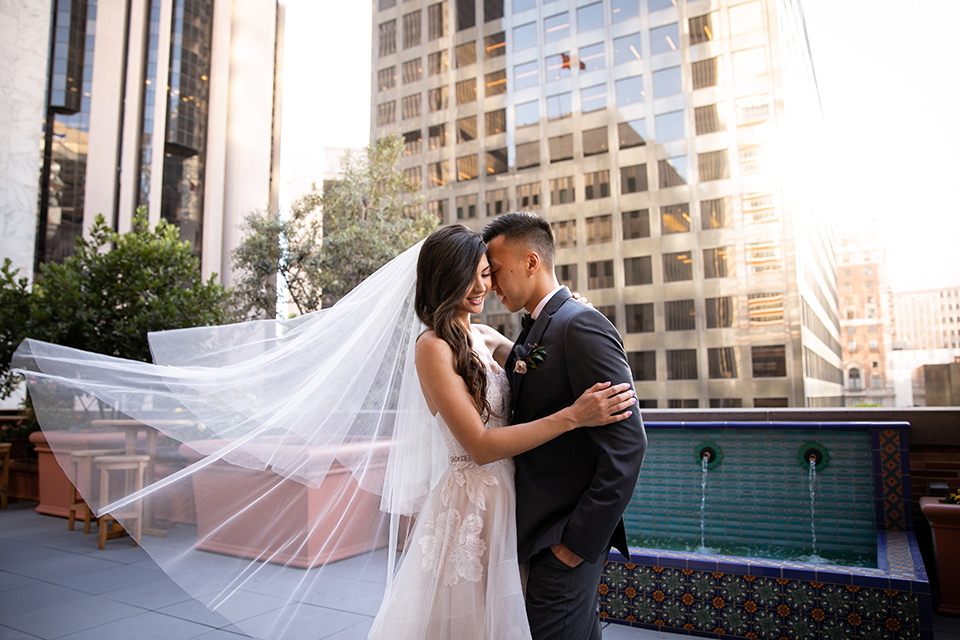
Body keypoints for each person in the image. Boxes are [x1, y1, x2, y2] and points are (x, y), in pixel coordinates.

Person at [369, 224, 636, 639]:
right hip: (472, 503)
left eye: (487, 272)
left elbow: (544, 365)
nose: (483, 286)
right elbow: (478, 444)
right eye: (471, 274)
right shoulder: (432, 347)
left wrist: (572, 312)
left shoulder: (484, 336)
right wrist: (574, 415)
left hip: (513, 504)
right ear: (444, 277)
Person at [482, 212, 648, 640]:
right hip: (536, 536)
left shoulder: (581, 324)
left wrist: (574, 545)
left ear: (532, 262)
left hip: (562, 540)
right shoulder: (537, 329)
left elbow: (628, 446)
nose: (491, 285)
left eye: (496, 271)